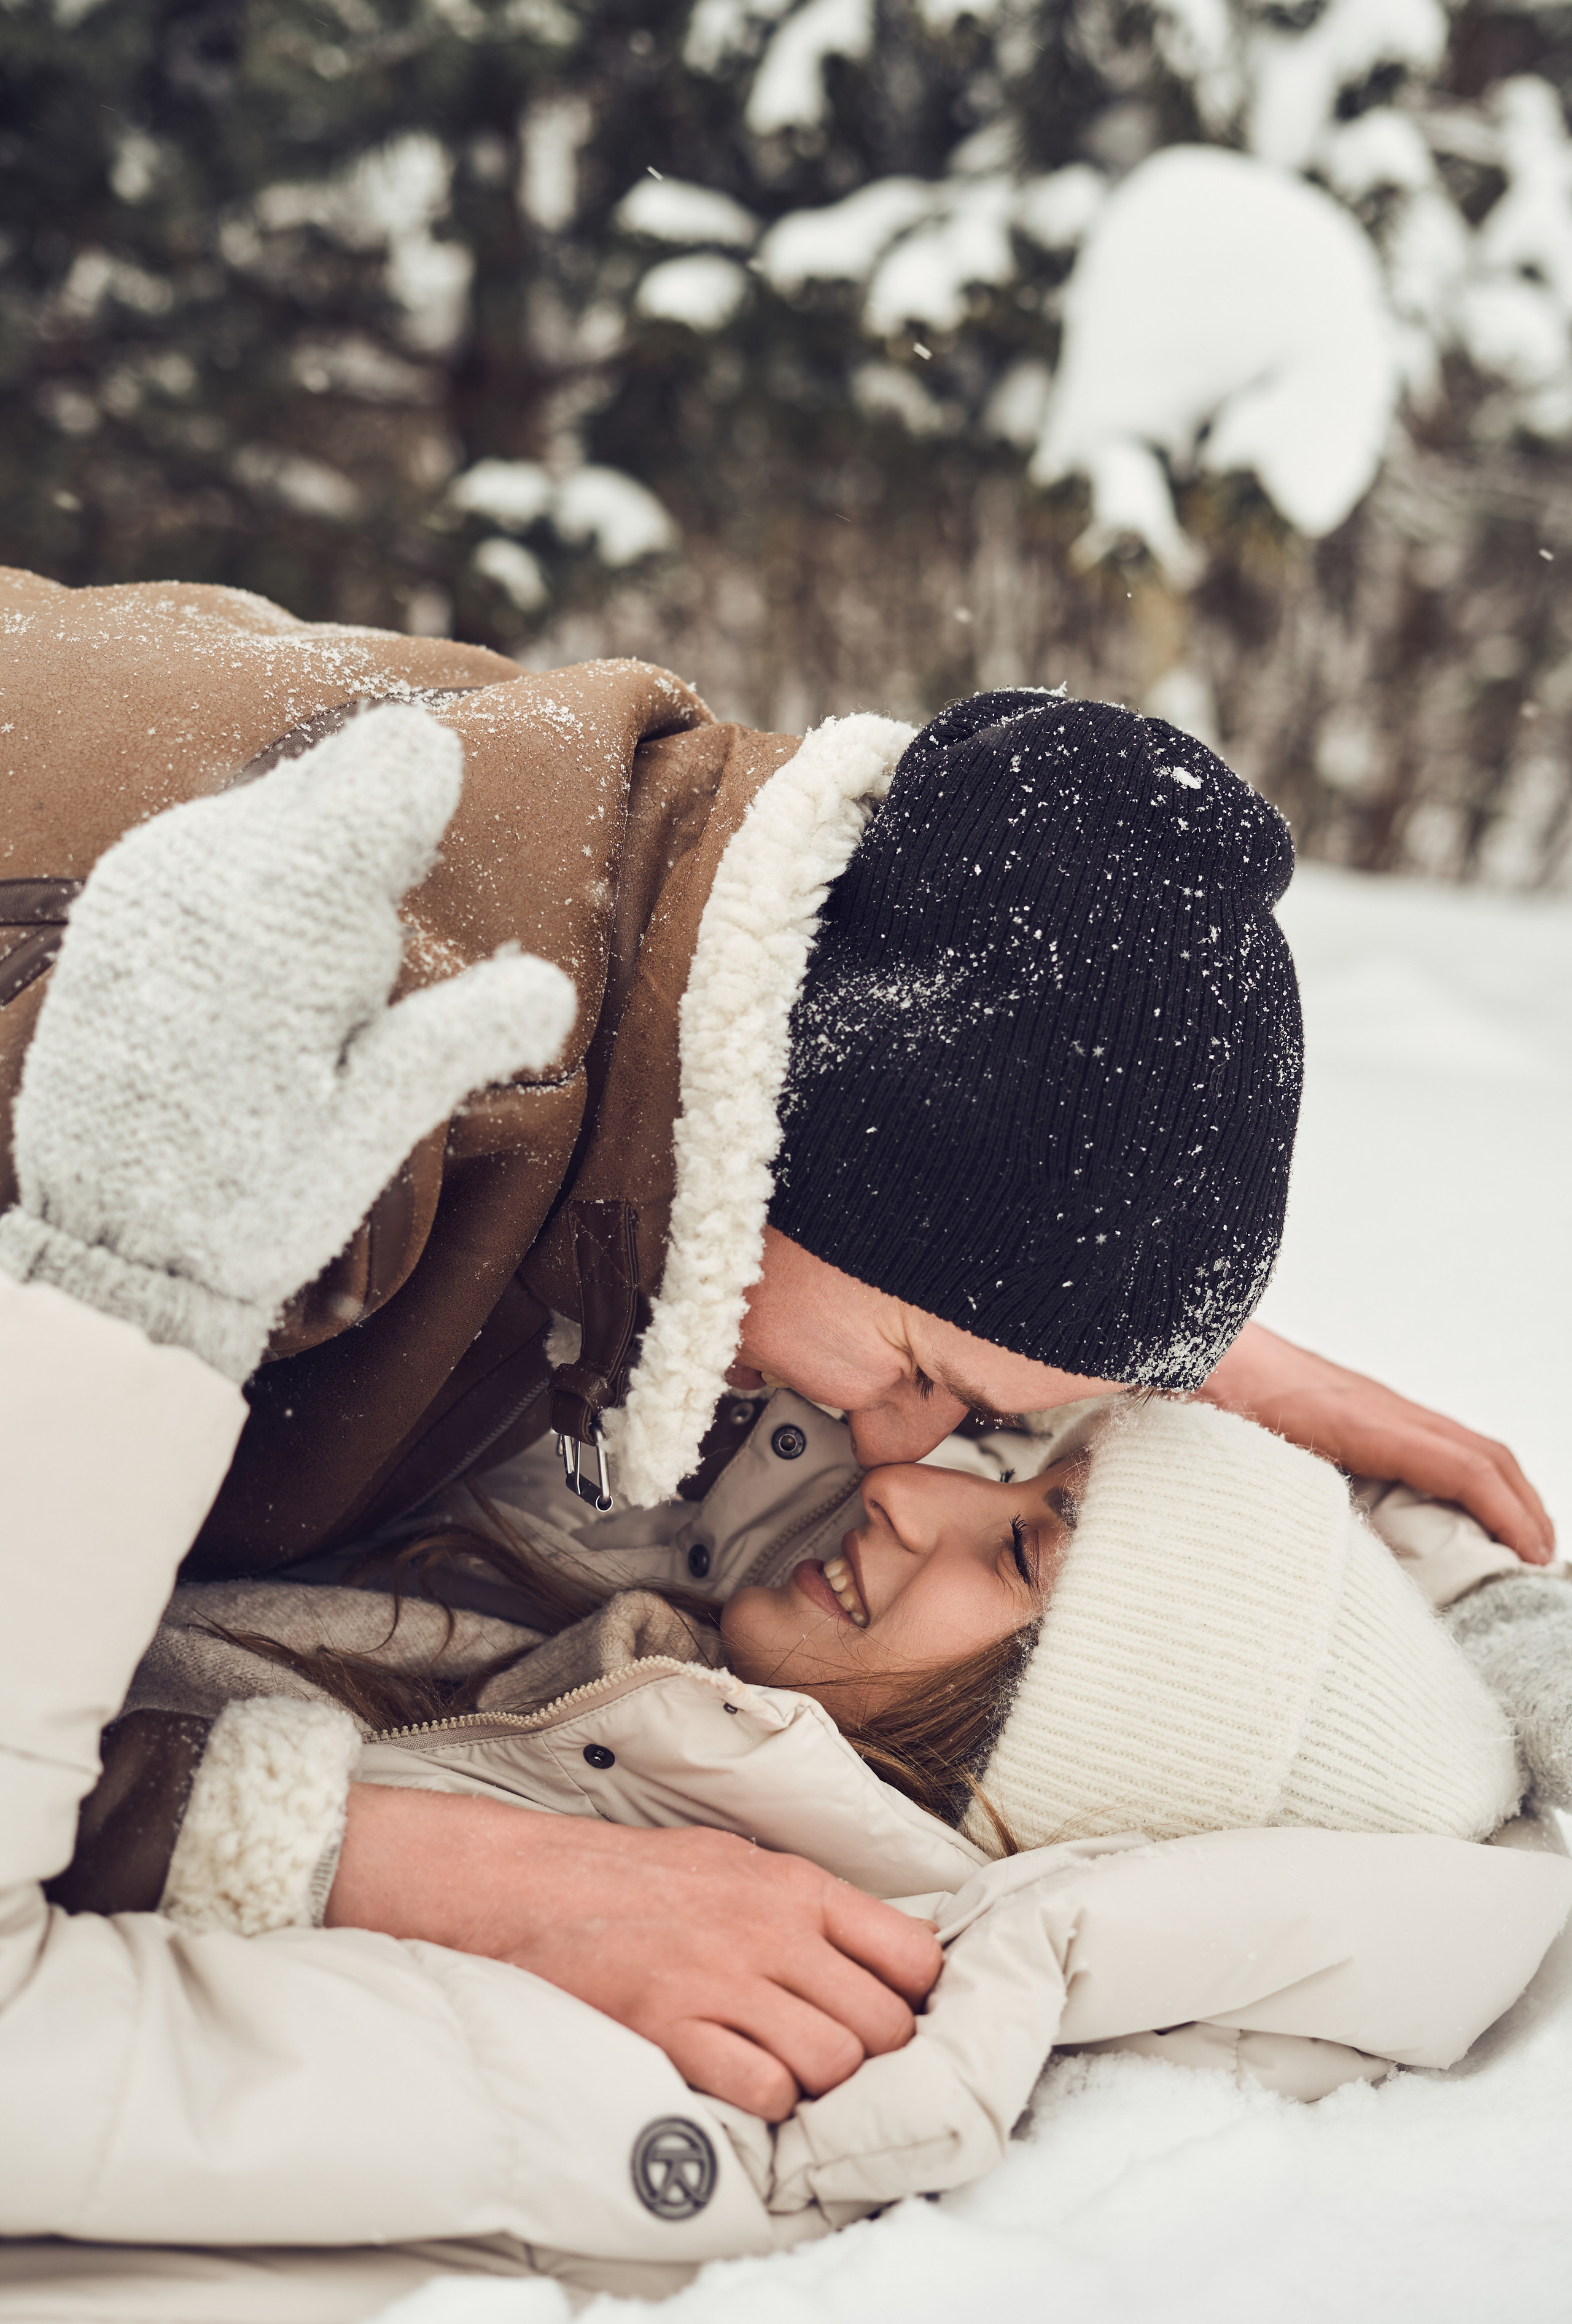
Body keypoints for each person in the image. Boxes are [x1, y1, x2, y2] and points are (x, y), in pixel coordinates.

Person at [2, 711, 1565, 2318]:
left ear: (1063, 1768)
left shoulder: (717, 2006)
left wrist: (122, 1317)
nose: (897, 1475)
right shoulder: (648, 1466)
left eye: (1015, 1507)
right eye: (1004, 1446)